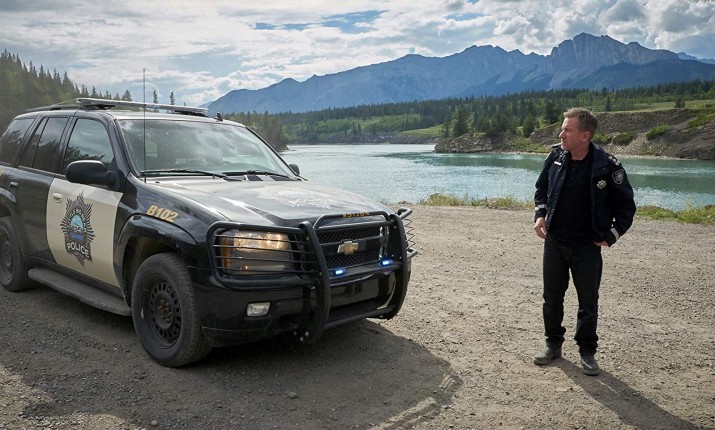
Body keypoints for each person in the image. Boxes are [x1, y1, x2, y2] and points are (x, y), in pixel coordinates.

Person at [533, 107, 636, 376]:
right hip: (555, 242)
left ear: (585, 135)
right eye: (562, 129)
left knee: (588, 303)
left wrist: (612, 235)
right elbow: (541, 189)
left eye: (567, 130)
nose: (561, 134)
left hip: (587, 247)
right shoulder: (556, 156)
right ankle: (553, 344)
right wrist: (540, 215)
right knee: (551, 298)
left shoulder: (607, 165)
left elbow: (626, 207)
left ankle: (587, 352)